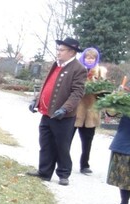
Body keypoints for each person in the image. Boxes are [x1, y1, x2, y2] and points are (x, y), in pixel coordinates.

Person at [27, 37, 87, 186]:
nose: (58, 52)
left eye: (61, 50)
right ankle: (44, 172)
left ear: (72, 52)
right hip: (47, 113)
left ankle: (64, 174)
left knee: (62, 145)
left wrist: (65, 108)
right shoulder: (56, 65)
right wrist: (37, 100)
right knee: (45, 143)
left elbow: (77, 93)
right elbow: (47, 85)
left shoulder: (78, 69)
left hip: (63, 116)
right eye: (58, 49)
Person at [72, 47, 107, 174]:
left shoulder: (100, 72)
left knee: (87, 140)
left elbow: (103, 91)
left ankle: (84, 164)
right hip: (76, 109)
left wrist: (96, 88)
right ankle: (62, 160)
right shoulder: (77, 68)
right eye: (88, 57)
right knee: (67, 137)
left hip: (91, 110)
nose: (90, 60)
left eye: (92, 58)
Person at [107, 86, 130, 204]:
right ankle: (124, 203)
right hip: (126, 137)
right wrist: (115, 98)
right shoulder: (126, 95)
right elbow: (111, 113)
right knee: (123, 172)